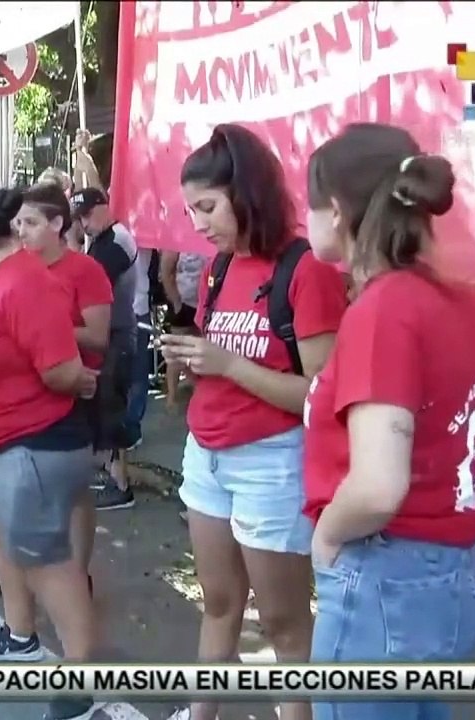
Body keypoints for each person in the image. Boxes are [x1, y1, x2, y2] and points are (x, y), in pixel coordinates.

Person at [302, 122, 475, 719]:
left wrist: (328, 535)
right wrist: (449, 467)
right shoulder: (459, 299)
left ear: (335, 211)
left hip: (387, 578)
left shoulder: (382, 311)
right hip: (457, 574)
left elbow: (378, 487)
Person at [158, 124, 348, 720]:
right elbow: (227, 362)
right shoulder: (218, 267)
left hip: (273, 460)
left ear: (248, 194)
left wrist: (227, 364)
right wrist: (192, 361)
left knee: (286, 623)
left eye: (208, 207)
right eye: (191, 209)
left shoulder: (305, 268)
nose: (198, 223)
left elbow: (321, 395)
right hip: (206, 452)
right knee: (218, 602)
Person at [0, 180, 98, 720]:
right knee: (7, 546)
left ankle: (83, 675)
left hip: (27, 451)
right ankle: (19, 634)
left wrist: (78, 381)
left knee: (50, 563)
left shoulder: (24, 284)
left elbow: (62, 371)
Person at [70, 187, 139, 511]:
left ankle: (121, 485)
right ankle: (114, 475)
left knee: (112, 409)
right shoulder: (103, 239)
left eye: (87, 214)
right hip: (110, 334)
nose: (83, 223)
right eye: (79, 217)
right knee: (104, 407)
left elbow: (91, 281)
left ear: (103, 207)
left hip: (118, 335)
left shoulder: (116, 242)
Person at [159, 250, 207, 411]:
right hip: (184, 302)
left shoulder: (210, 240)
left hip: (206, 304)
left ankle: (199, 390)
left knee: (201, 350)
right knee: (176, 351)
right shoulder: (177, 241)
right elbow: (166, 271)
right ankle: (171, 397)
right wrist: (176, 302)